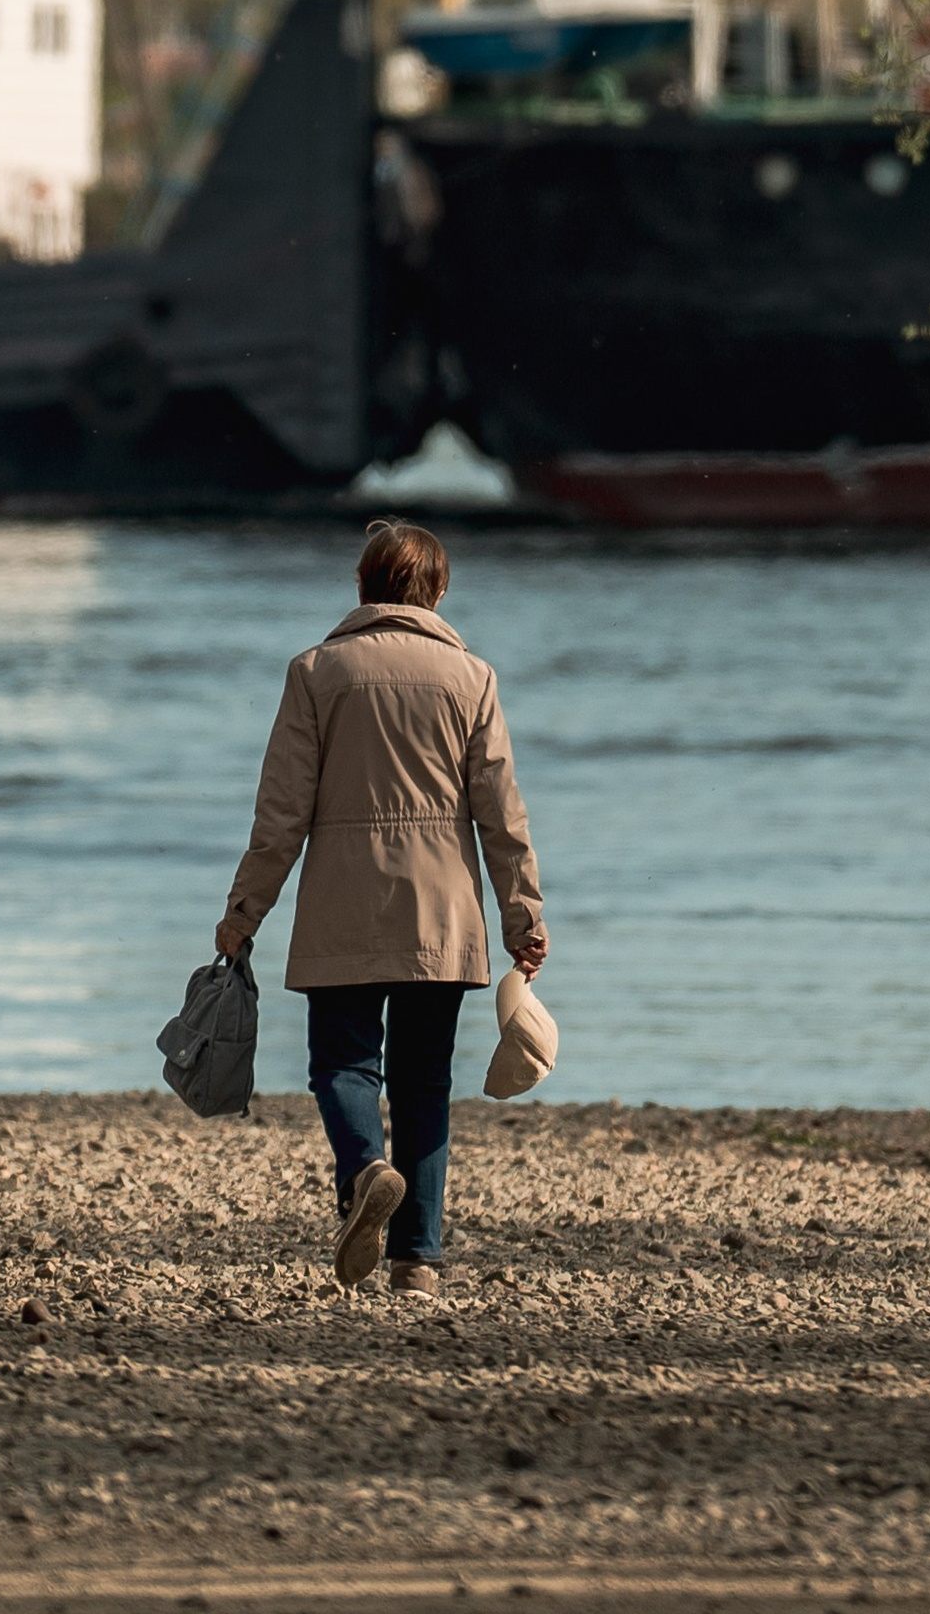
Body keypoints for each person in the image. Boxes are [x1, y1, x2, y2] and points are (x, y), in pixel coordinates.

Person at [215, 516, 548, 1293]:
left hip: (343, 904)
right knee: (425, 1080)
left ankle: (366, 1167)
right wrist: (523, 917)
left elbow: (281, 813)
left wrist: (243, 914)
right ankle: (418, 1262)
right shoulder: (474, 678)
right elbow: (502, 814)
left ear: (363, 587)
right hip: (444, 913)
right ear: (437, 593)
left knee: (341, 1063)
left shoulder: (315, 672)